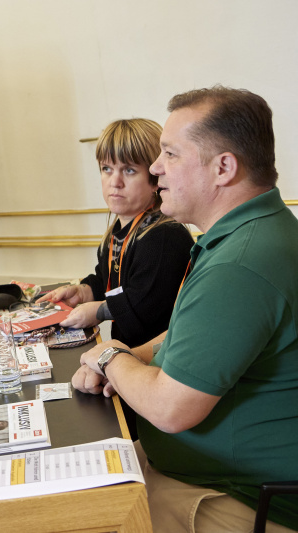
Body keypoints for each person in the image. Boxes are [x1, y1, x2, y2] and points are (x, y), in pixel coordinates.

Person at [72, 87, 298, 533]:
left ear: (223, 168)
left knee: (78, 517)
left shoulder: (240, 264)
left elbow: (170, 409)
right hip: (207, 472)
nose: (156, 168)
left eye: (170, 154)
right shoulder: (248, 234)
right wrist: (134, 356)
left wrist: (109, 356)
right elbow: (185, 332)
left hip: (239, 496)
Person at [39, 118, 193, 439]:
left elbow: (142, 305)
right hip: (127, 360)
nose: (115, 182)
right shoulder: (119, 228)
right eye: (107, 169)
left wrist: (96, 311)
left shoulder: (163, 234)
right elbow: (106, 277)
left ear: (154, 178)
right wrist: (82, 291)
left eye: (129, 170)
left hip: (157, 367)